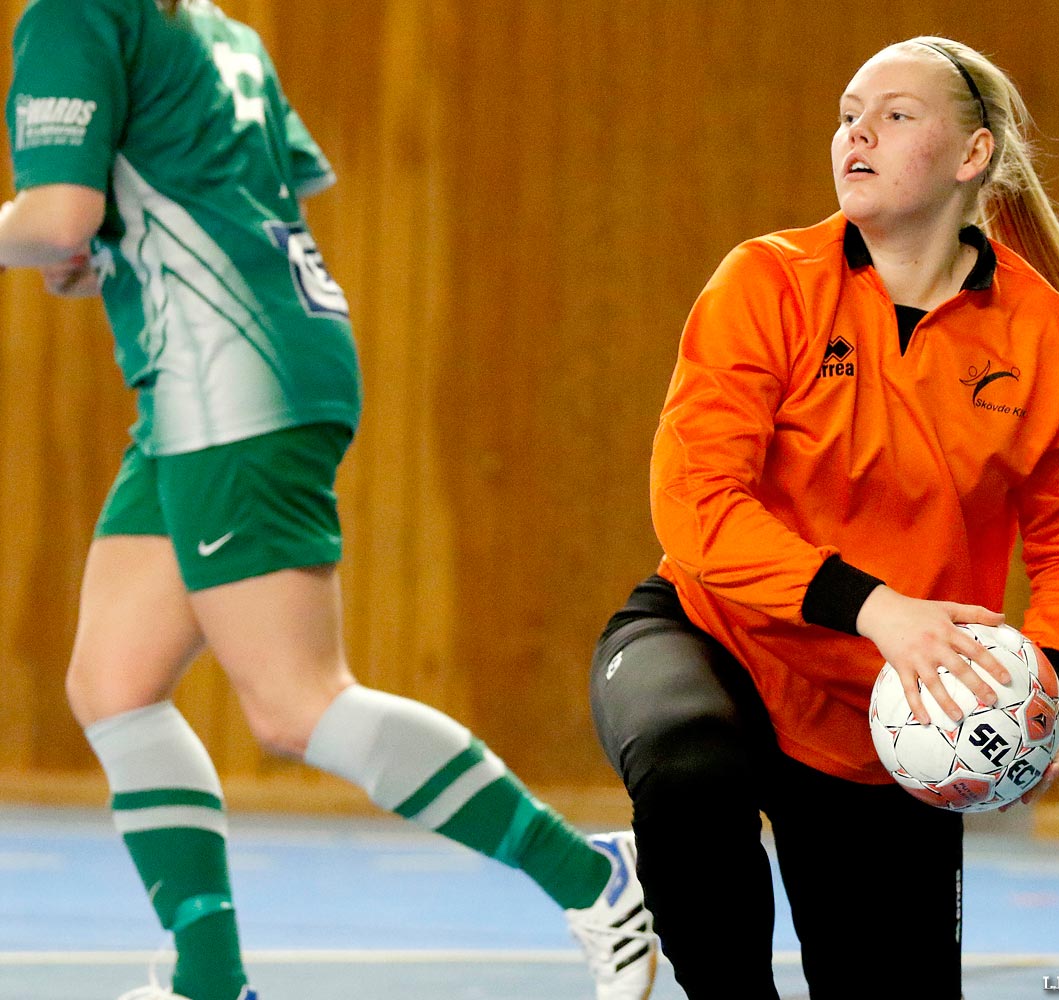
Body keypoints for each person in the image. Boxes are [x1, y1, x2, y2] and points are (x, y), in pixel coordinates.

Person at [0, 2, 657, 999]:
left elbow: (58, 214)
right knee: (114, 682)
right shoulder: (219, 29)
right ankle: (209, 980)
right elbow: (238, 188)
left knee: (297, 704)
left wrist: (70, 230)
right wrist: (106, 246)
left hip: (228, 382)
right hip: (225, 369)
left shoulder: (76, 15)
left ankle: (591, 874)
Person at [589, 35, 1059, 1000]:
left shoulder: (1058, 343)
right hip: (712, 637)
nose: (857, 132)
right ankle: (663, 888)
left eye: (894, 114)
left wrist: (1040, 682)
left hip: (893, 716)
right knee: (689, 776)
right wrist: (877, 606)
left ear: (972, 156)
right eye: (848, 113)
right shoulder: (764, 283)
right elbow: (697, 507)